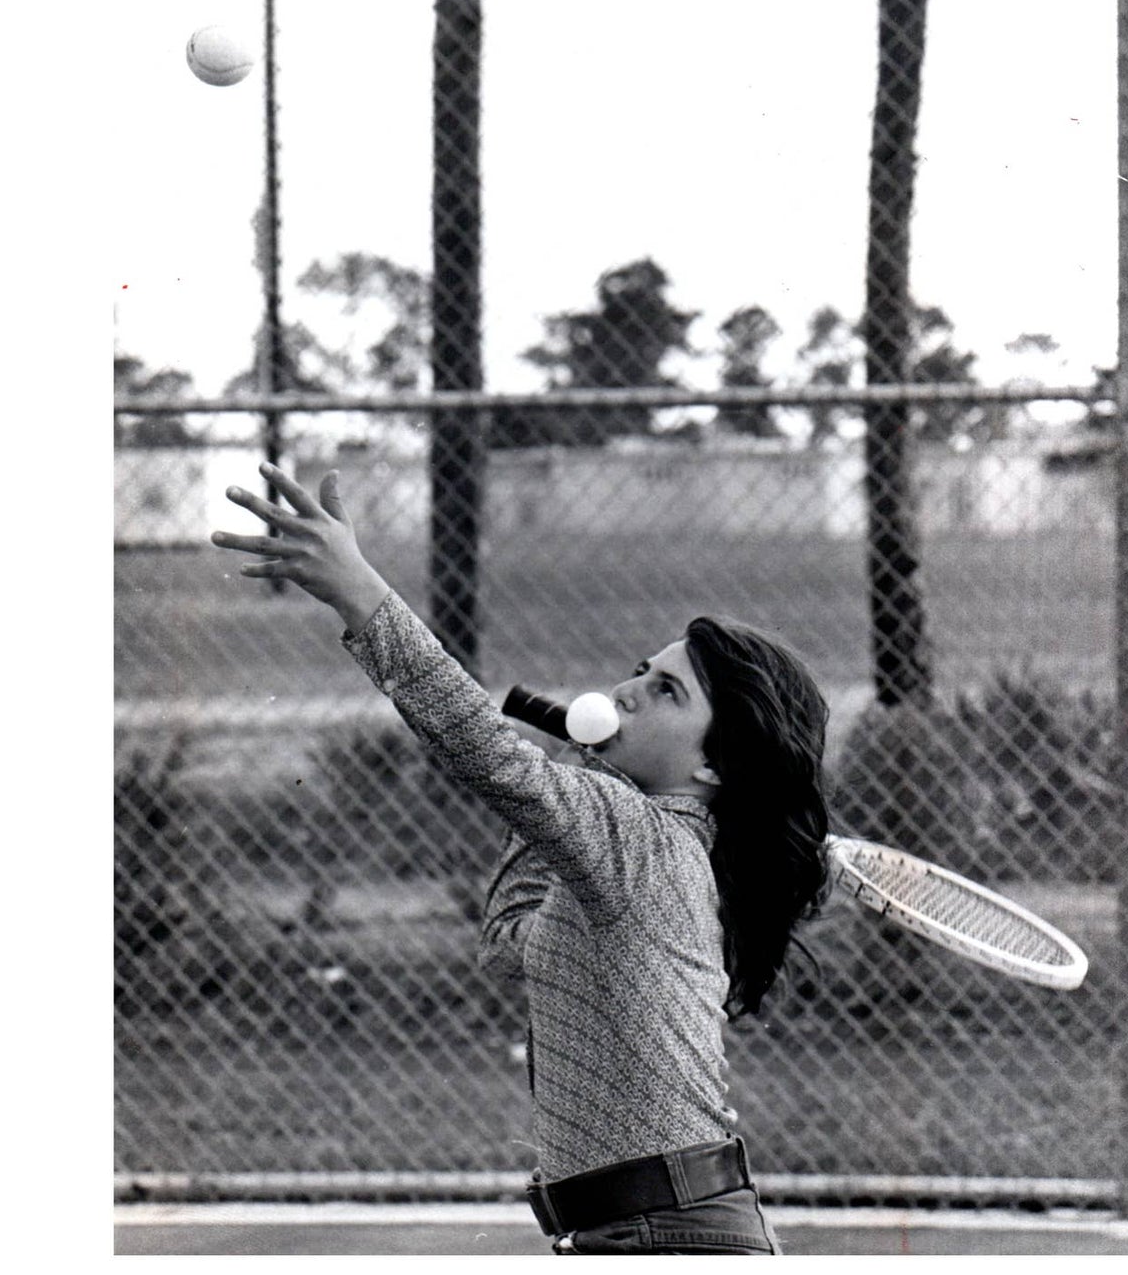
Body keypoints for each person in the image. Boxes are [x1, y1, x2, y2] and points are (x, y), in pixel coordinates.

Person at [212, 462, 834, 1255]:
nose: (629, 689)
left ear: (714, 765)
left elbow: (484, 751)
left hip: (665, 1236)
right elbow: (510, 940)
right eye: (642, 671)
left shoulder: (641, 839)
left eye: (667, 692)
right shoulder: (643, 843)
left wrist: (359, 592)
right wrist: (554, 788)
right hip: (644, 1228)